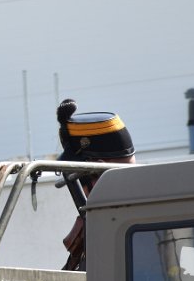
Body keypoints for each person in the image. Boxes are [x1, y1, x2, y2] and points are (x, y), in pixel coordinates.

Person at [56, 99, 135, 270]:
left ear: (98, 172)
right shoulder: (117, 224)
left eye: (80, 179)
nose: (82, 189)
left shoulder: (123, 228)